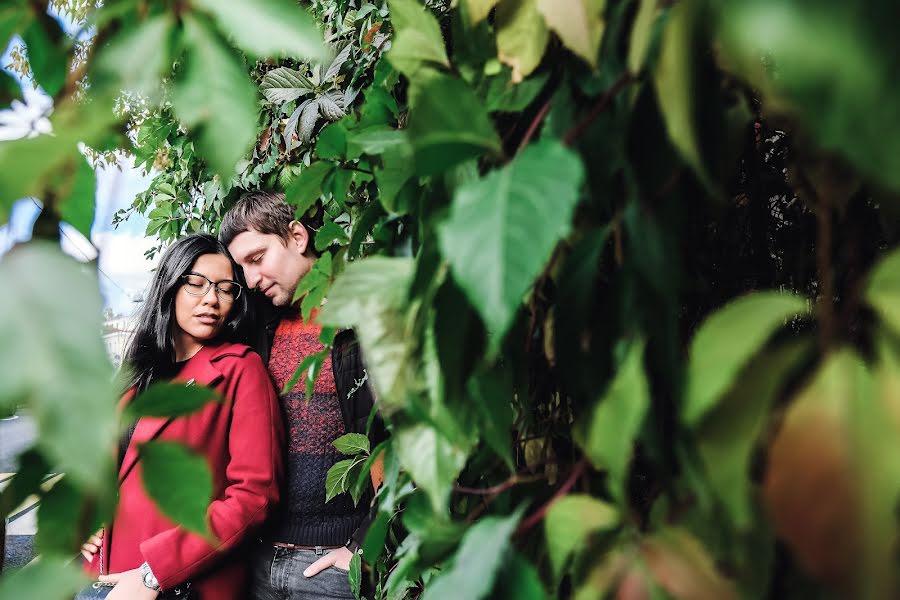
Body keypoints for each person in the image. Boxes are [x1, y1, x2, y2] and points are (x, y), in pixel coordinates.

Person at [81, 234, 284, 600]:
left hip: (174, 585)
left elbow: (254, 498)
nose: (212, 299)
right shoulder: (134, 376)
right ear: (170, 286)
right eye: (196, 283)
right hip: (100, 578)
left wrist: (152, 574)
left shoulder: (239, 370)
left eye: (226, 289)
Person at [220, 190, 385, 600]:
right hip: (259, 563)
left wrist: (363, 548)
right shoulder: (256, 330)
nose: (252, 280)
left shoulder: (362, 321)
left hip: (333, 567)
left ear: (296, 236)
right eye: (243, 270)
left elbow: (404, 443)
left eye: (257, 259)